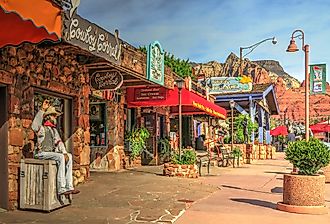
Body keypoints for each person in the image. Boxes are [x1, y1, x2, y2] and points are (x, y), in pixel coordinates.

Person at [32, 100, 80, 195]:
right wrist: (42, 110)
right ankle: (61, 188)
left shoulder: (54, 130)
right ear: (49, 117)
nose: (55, 118)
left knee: (69, 156)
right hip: (41, 153)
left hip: (50, 153)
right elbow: (34, 126)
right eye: (54, 116)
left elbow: (59, 143)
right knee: (60, 157)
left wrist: (65, 152)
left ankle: (69, 186)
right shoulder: (41, 128)